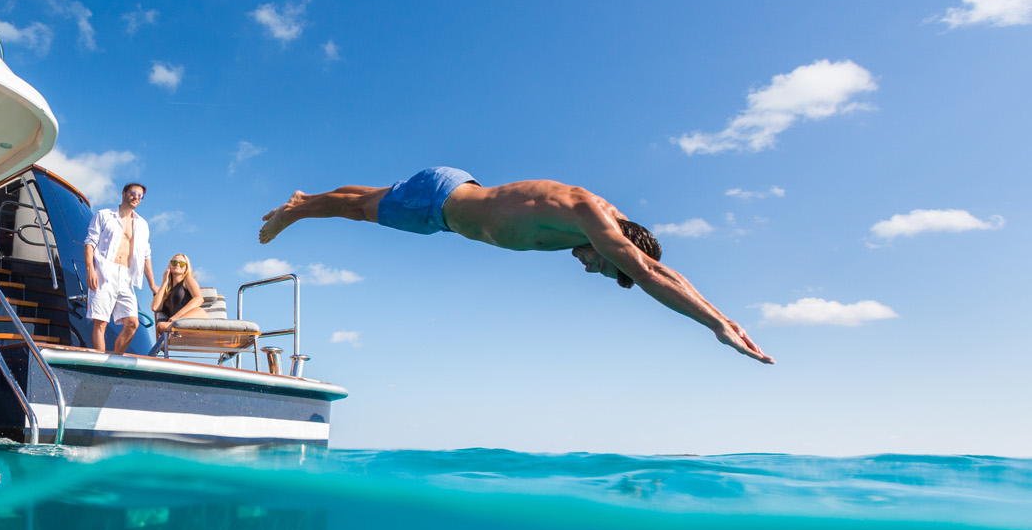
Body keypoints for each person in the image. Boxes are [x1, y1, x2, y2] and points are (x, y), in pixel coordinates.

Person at [259, 166, 773, 363]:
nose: (593, 270)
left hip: (447, 200)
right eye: (606, 267)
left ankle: (303, 200)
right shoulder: (593, 217)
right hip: (442, 205)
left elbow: (651, 268)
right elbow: (652, 272)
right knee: (359, 209)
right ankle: (299, 210)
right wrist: (719, 325)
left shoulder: (587, 220)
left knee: (364, 206)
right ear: (618, 247)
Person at [84, 182, 156, 353]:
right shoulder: (104, 215)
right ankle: (100, 363)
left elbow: (146, 255)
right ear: (124, 193)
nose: (136, 197)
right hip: (104, 271)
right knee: (100, 322)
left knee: (132, 323)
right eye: (133, 193)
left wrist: (152, 284)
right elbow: (90, 243)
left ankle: (116, 359)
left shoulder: (142, 225)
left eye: (140, 196)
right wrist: (90, 269)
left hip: (127, 276)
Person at [148, 252, 206, 355]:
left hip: (196, 316)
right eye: (174, 262)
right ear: (169, 266)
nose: (177, 264)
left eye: (182, 264)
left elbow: (199, 299)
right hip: (178, 324)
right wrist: (164, 282)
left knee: (163, 327)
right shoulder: (166, 290)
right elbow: (154, 307)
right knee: (160, 327)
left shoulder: (187, 279)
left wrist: (177, 316)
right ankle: (176, 332)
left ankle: (175, 331)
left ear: (186, 268)